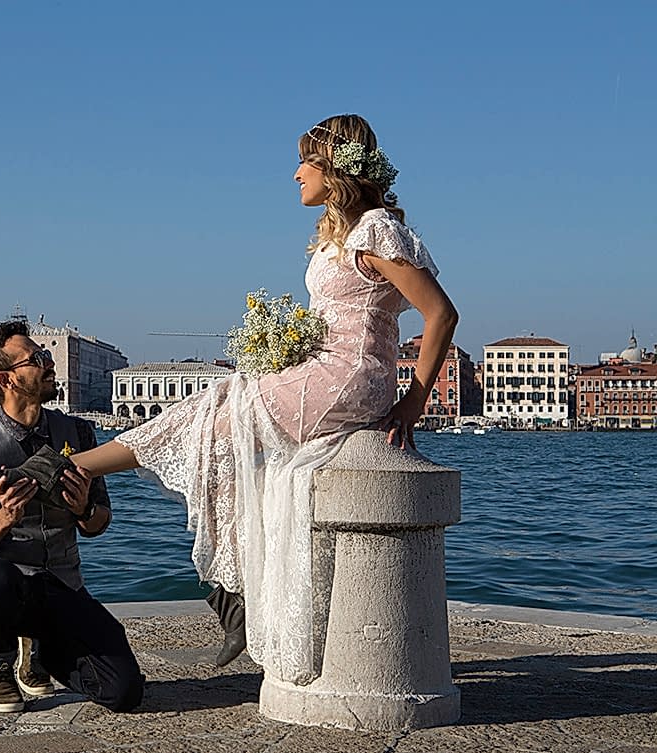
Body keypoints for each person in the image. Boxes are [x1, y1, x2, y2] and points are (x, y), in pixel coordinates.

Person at [25, 114, 458, 683]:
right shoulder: (340, 233)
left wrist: (414, 398)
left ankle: (67, 471)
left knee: (208, 421)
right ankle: (230, 593)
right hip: (321, 367)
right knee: (209, 427)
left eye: (306, 160)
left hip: (350, 375)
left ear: (335, 168)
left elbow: (440, 313)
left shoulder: (375, 230)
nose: (295, 172)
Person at [0, 320, 145, 713]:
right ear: (8, 379)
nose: (49, 363)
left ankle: (40, 649)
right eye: (37, 359)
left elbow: (98, 524)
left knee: (123, 693)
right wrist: (4, 517)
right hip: (7, 588)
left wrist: (83, 507)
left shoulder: (79, 435)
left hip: (63, 586)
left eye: (46, 355)